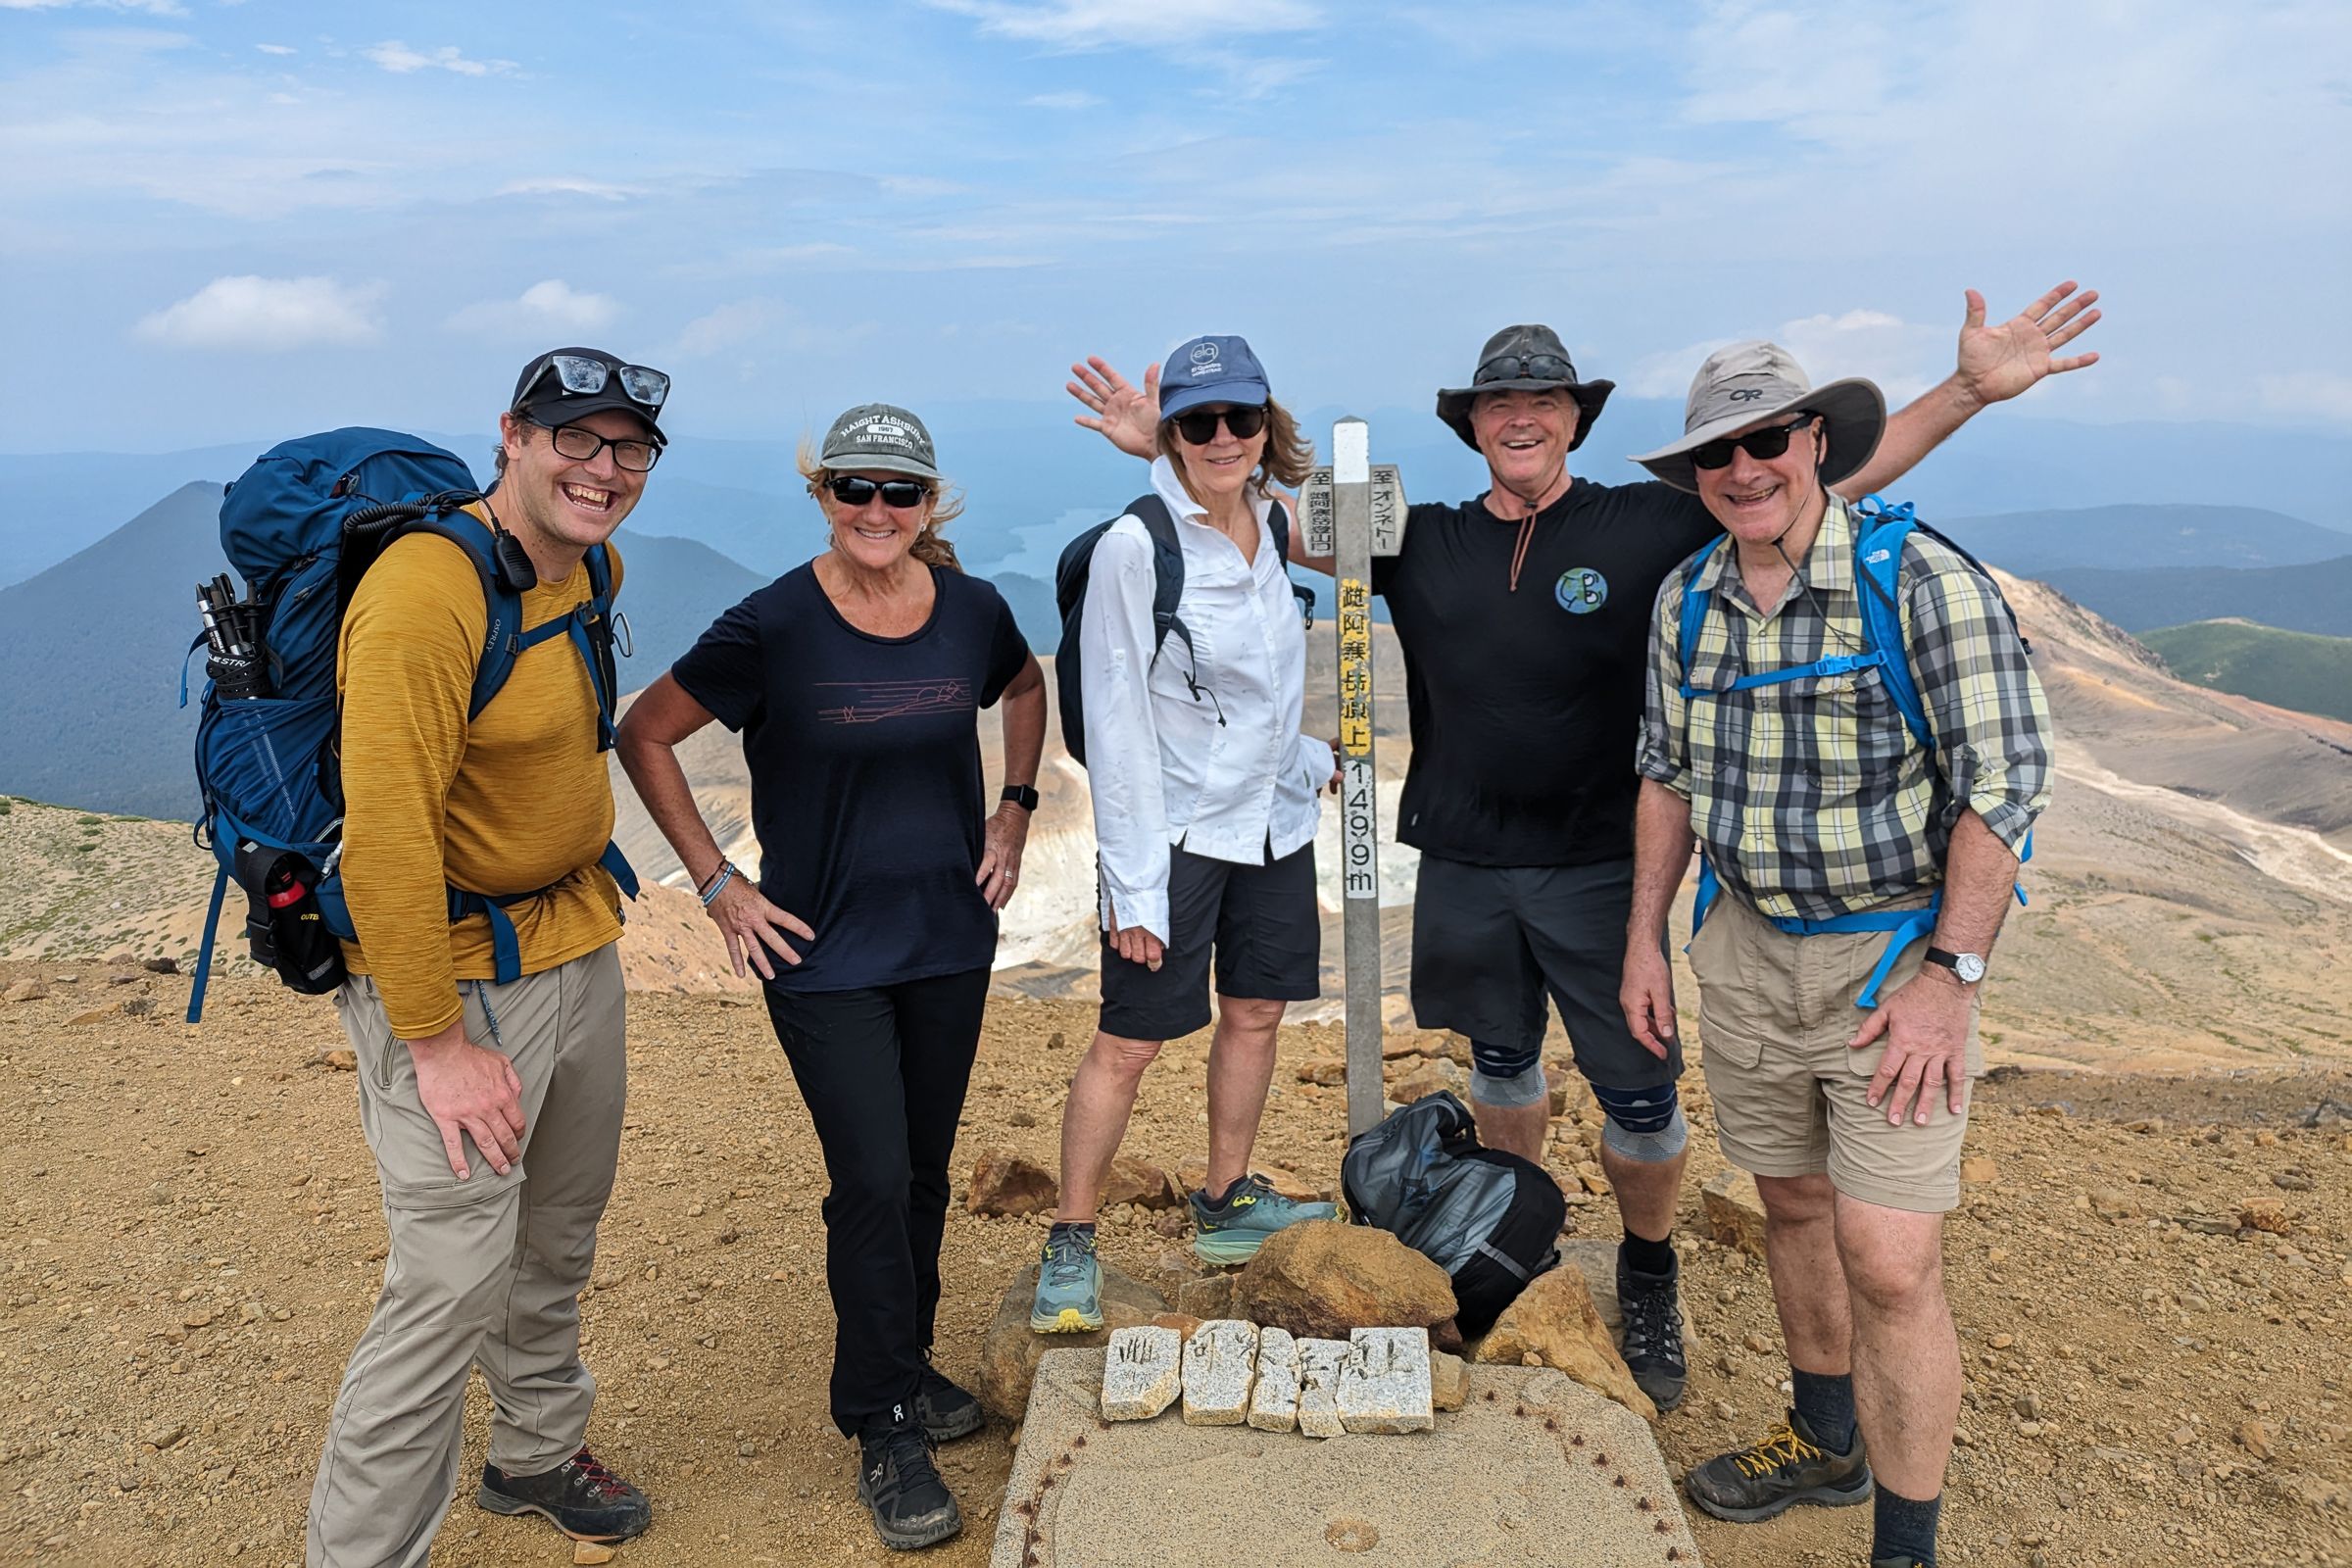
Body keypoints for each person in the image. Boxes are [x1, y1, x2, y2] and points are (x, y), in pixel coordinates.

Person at [1065, 282, 2097, 1413]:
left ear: (1574, 418)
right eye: (1500, 400)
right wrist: (1157, 453)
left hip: (1605, 865)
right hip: (1463, 857)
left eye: (1544, 399)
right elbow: (1245, 516)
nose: (1522, 416)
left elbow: (1812, 479)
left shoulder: (1645, 524)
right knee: (1501, 1068)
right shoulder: (1425, 537)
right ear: (1472, 423)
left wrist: (1966, 390)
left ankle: (1646, 1268)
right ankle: (1514, 1251)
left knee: (1639, 1096)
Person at [1623, 342, 2052, 1568]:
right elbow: (1665, 772)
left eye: (1768, 440)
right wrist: (1646, 935)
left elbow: (2003, 786)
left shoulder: (1916, 582)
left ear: (1818, 440)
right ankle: (1825, 1436)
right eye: (1720, 451)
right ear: (1697, 472)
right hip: (1748, 949)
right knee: (1792, 1203)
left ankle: (1903, 1547)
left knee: (1891, 1258)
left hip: (1889, 967)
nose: (1746, 468)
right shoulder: (1690, 598)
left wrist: (1950, 979)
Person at [614, 402, 1045, 1553]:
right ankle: (883, 1419)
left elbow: (1023, 687)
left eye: (899, 491)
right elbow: (645, 731)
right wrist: (715, 883)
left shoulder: (971, 609)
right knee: (867, 1177)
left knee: (922, 1177)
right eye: (853, 486)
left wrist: (1015, 806)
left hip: (950, 939)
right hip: (823, 956)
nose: (876, 509)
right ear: (822, 494)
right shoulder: (774, 625)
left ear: (929, 503)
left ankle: (909, 1366)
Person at [309, 347, 668, 1564]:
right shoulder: (427, 592)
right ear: (512, 436)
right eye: (577, 439)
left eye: (628, 449)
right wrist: (436, 1045)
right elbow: (388, 838)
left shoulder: (586, 563)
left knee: (558, 1230)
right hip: (459, 977)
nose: (604, 469)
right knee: (450, 1282)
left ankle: (532, 1451)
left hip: (576, 941)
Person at [1030, 334, 1341, 1337]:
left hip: (1274, 822)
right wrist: (1132, 888)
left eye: (1238, 419)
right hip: (1176, 836)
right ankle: (1072, 1239)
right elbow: (1115, 724)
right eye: (1196, 421)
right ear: (1172, 430)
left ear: (1266, 425)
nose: (1221, 437)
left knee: (1255, 1012)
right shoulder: (1138, 546)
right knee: (1130, 1040)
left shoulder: (1279, 522)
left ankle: (1224, 1199)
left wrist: (1302, 763)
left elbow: (1388, 536)